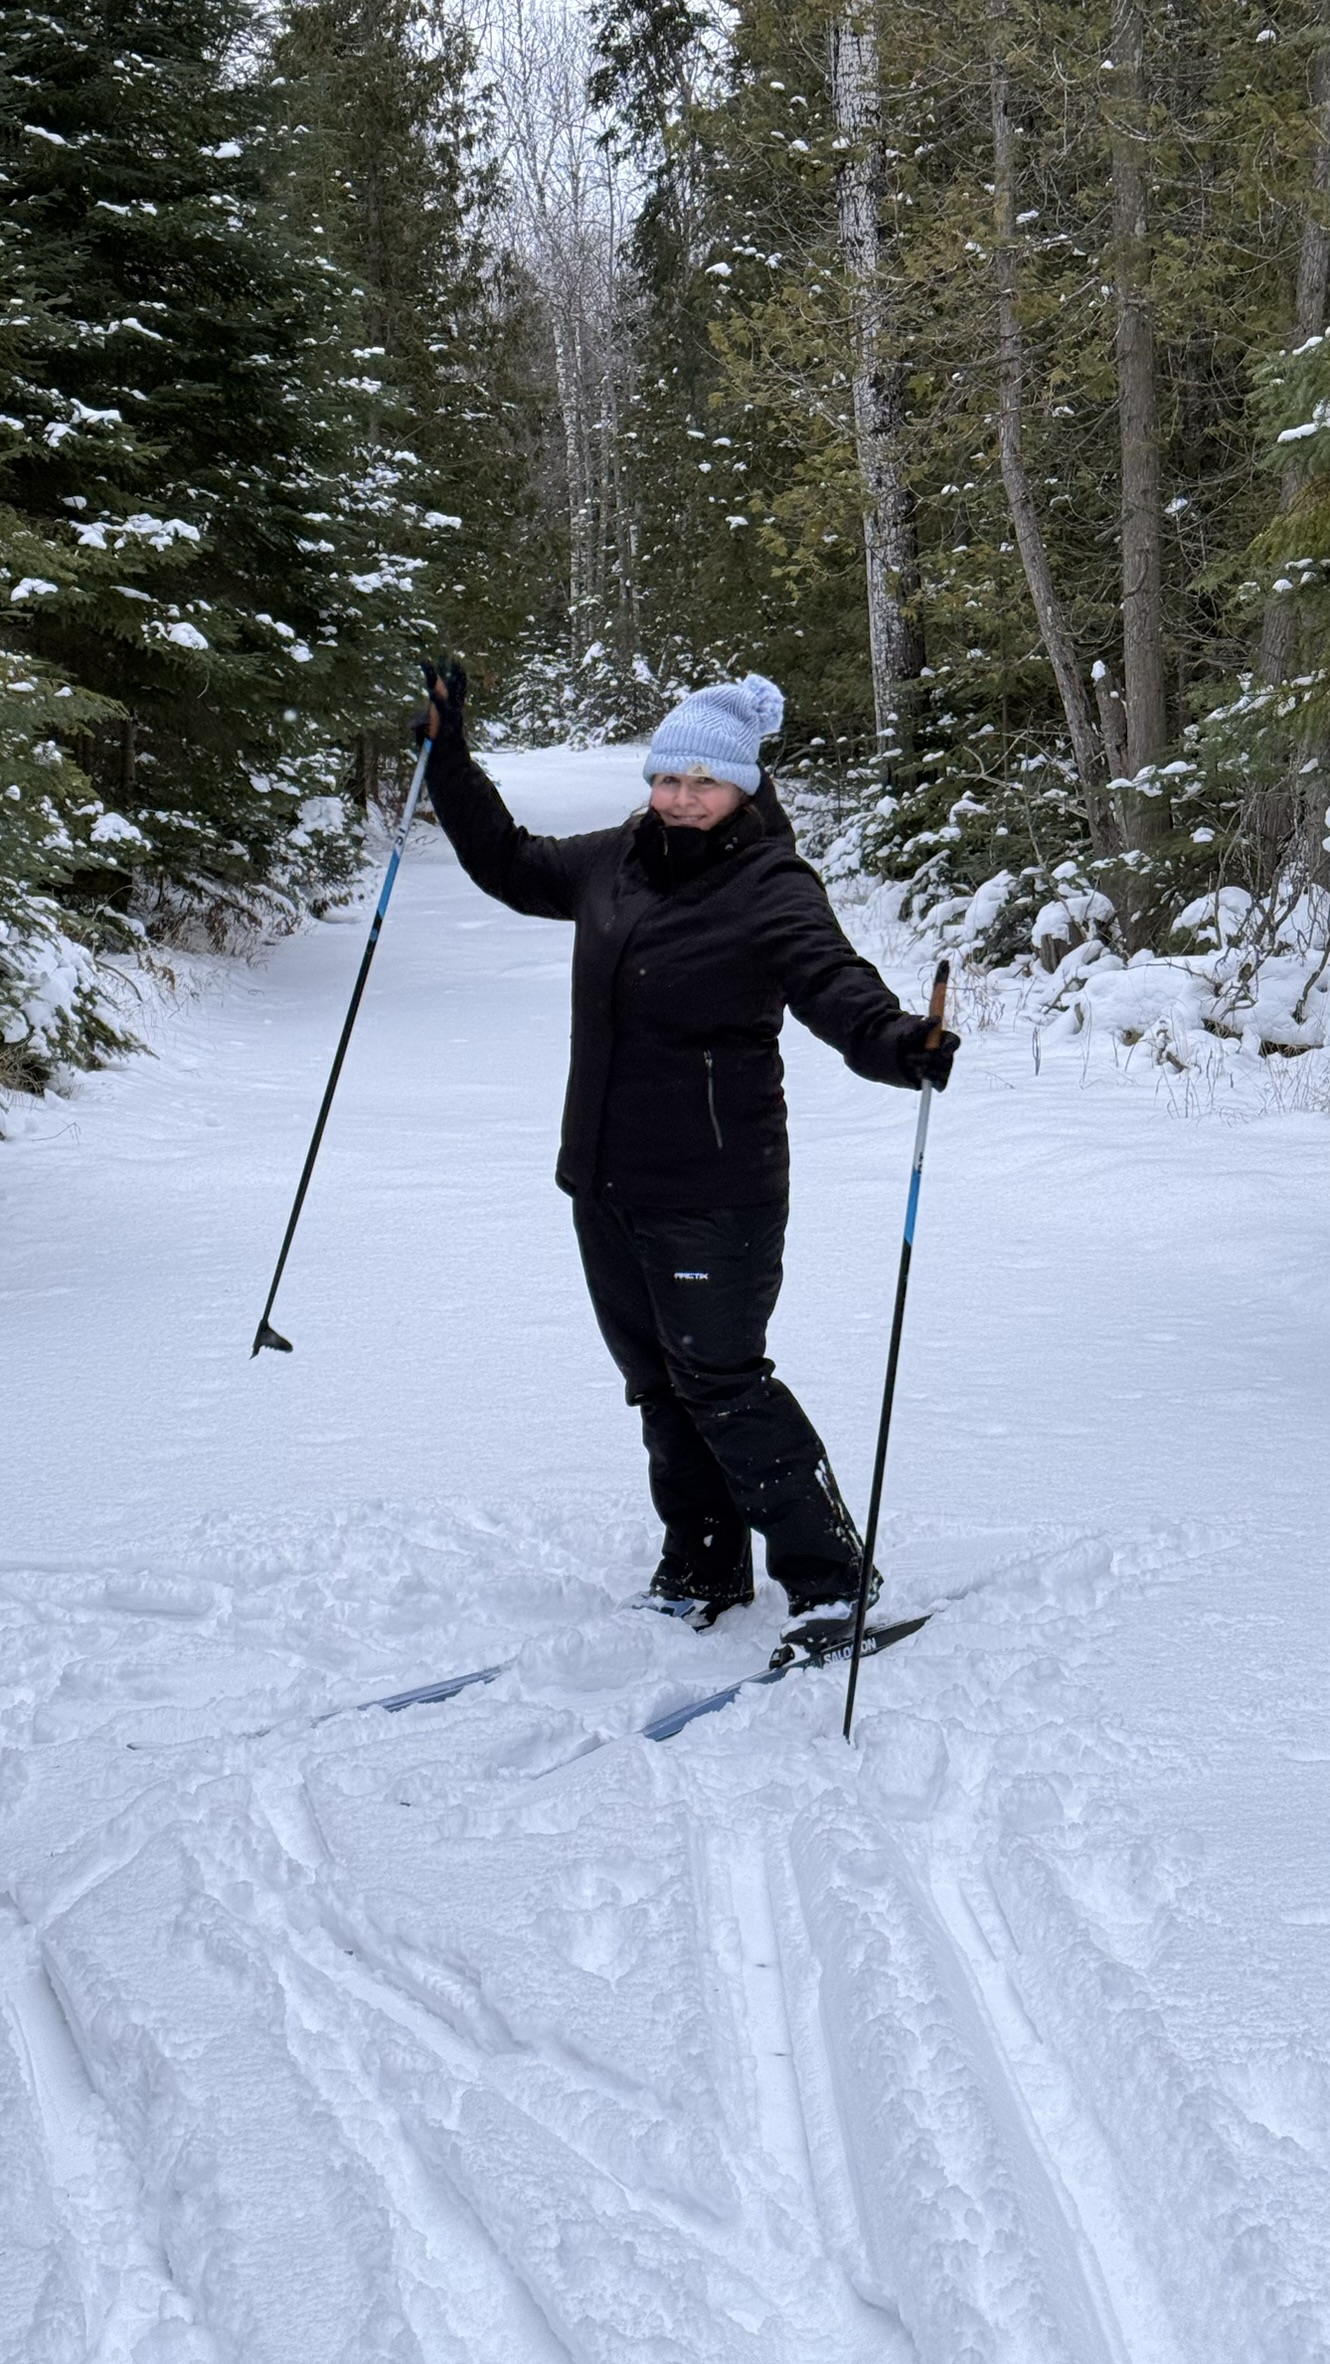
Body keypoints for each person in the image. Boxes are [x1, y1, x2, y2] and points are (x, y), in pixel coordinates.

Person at [421, 660, 958, 1654]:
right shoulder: (618, 858)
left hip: (715, 1190)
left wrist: (896, 1042)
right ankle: (704, 1566)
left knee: (722, 1384)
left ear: (742, 787)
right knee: (659, 1388)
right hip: (604, 1180)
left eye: (701, 782)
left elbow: (831, 980)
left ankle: (833, 1584)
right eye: (667, 778)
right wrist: (449, 758)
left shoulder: (769, 883)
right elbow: (509, 862)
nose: (678, 798)